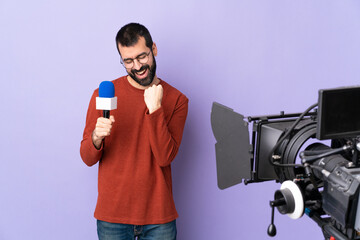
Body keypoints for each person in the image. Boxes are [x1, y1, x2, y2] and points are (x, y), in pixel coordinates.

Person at [80, 23, 188, 240]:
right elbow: (87, 158)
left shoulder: (177, 100)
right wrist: (96, 138)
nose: (137, 66)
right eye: (128, 61)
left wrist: (155, 109)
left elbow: (165, 157)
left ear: (154, 49)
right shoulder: (103, 95)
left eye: (142, 57)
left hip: (159, 217)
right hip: (112, 216)